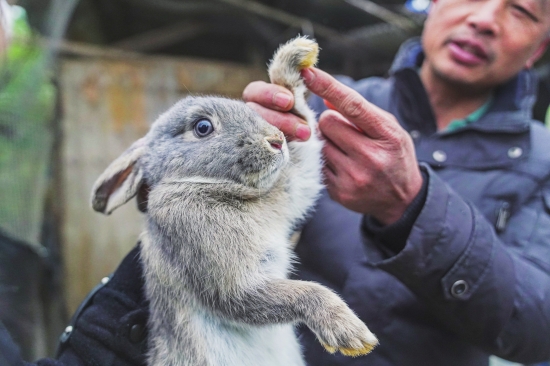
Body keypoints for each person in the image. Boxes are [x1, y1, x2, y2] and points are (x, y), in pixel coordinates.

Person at [5, 0, 550, 365]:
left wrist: (414, 208)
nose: (484, 18)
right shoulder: (337, 101)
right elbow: (276, 203)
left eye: (523, 8)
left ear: (539, 46)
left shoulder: (541, 158)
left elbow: (539, 324)